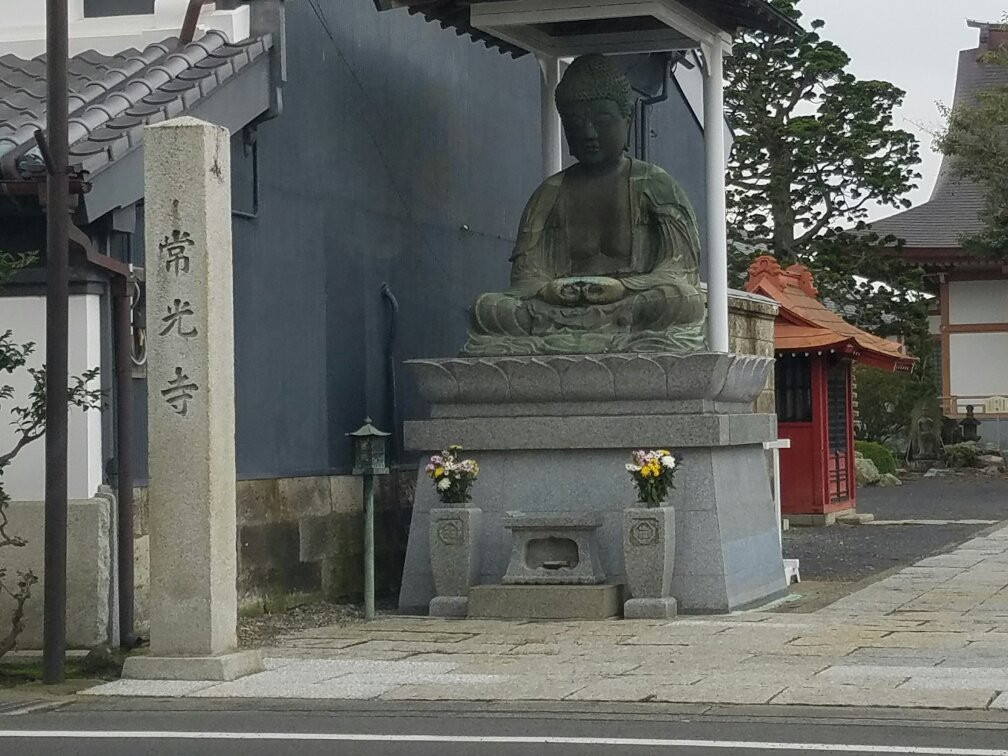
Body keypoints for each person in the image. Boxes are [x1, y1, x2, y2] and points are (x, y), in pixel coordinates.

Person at [463, 53, 707, 356]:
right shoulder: (549, 193)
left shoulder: (656, 184)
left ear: (626, 120)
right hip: (557, 308)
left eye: (602, 121)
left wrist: (623, 288)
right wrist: (550, 289)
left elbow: (680, 270)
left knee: (680, 301)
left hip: (631, 304)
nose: (589, 133)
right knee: (488, 308)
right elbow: (526, 276)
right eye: (576, 122)